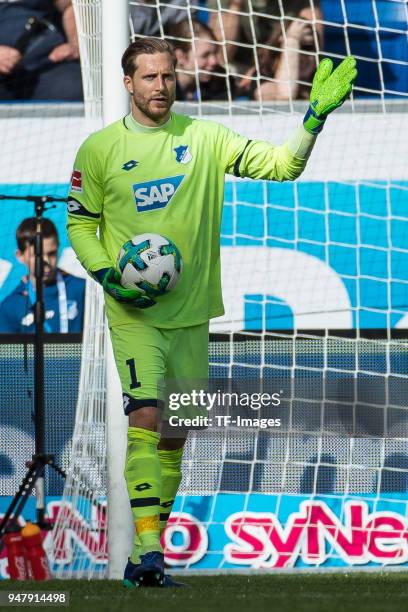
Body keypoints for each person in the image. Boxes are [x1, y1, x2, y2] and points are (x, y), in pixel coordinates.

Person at [66, 38, 356, 587]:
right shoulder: (99, 150)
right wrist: (108, 275)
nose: (160, 86)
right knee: (147, 415)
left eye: (168, 76)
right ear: (128, 83)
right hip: (136, 314)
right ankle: (150, 549)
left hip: (195, 312)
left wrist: (314, 118)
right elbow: (81, 223)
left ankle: (142, 558)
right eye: (149, 77)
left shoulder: (202, 137)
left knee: (177, 432)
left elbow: (283, 167)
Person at [0, 218, 85, 333]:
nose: (47, 262)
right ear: (20, 256)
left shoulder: (81, 289)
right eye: (38, 255)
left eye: (52, 253)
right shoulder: (10, 306)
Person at [0, 0, 82, 100]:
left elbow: (71, 7)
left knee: (74, 86)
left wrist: (74, 45)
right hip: (4, 79)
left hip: (47, 65)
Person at [168, 19, 236, 101]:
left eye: (215, 52)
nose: (214, 61)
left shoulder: (223, 83)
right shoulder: (160, 88)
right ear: (180, 57)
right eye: (205, 55)